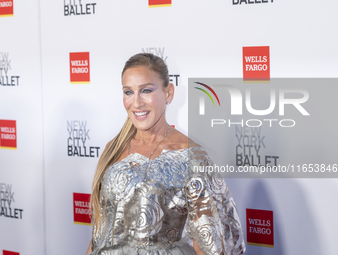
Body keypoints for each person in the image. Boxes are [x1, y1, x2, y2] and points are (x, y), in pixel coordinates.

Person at [86, 53, 246, 255]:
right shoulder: (113, 148)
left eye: (146, 90)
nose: (136, 103)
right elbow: (99, 235)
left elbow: (210, 245)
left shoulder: (190, 158)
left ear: (169, 93)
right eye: (128, 92)